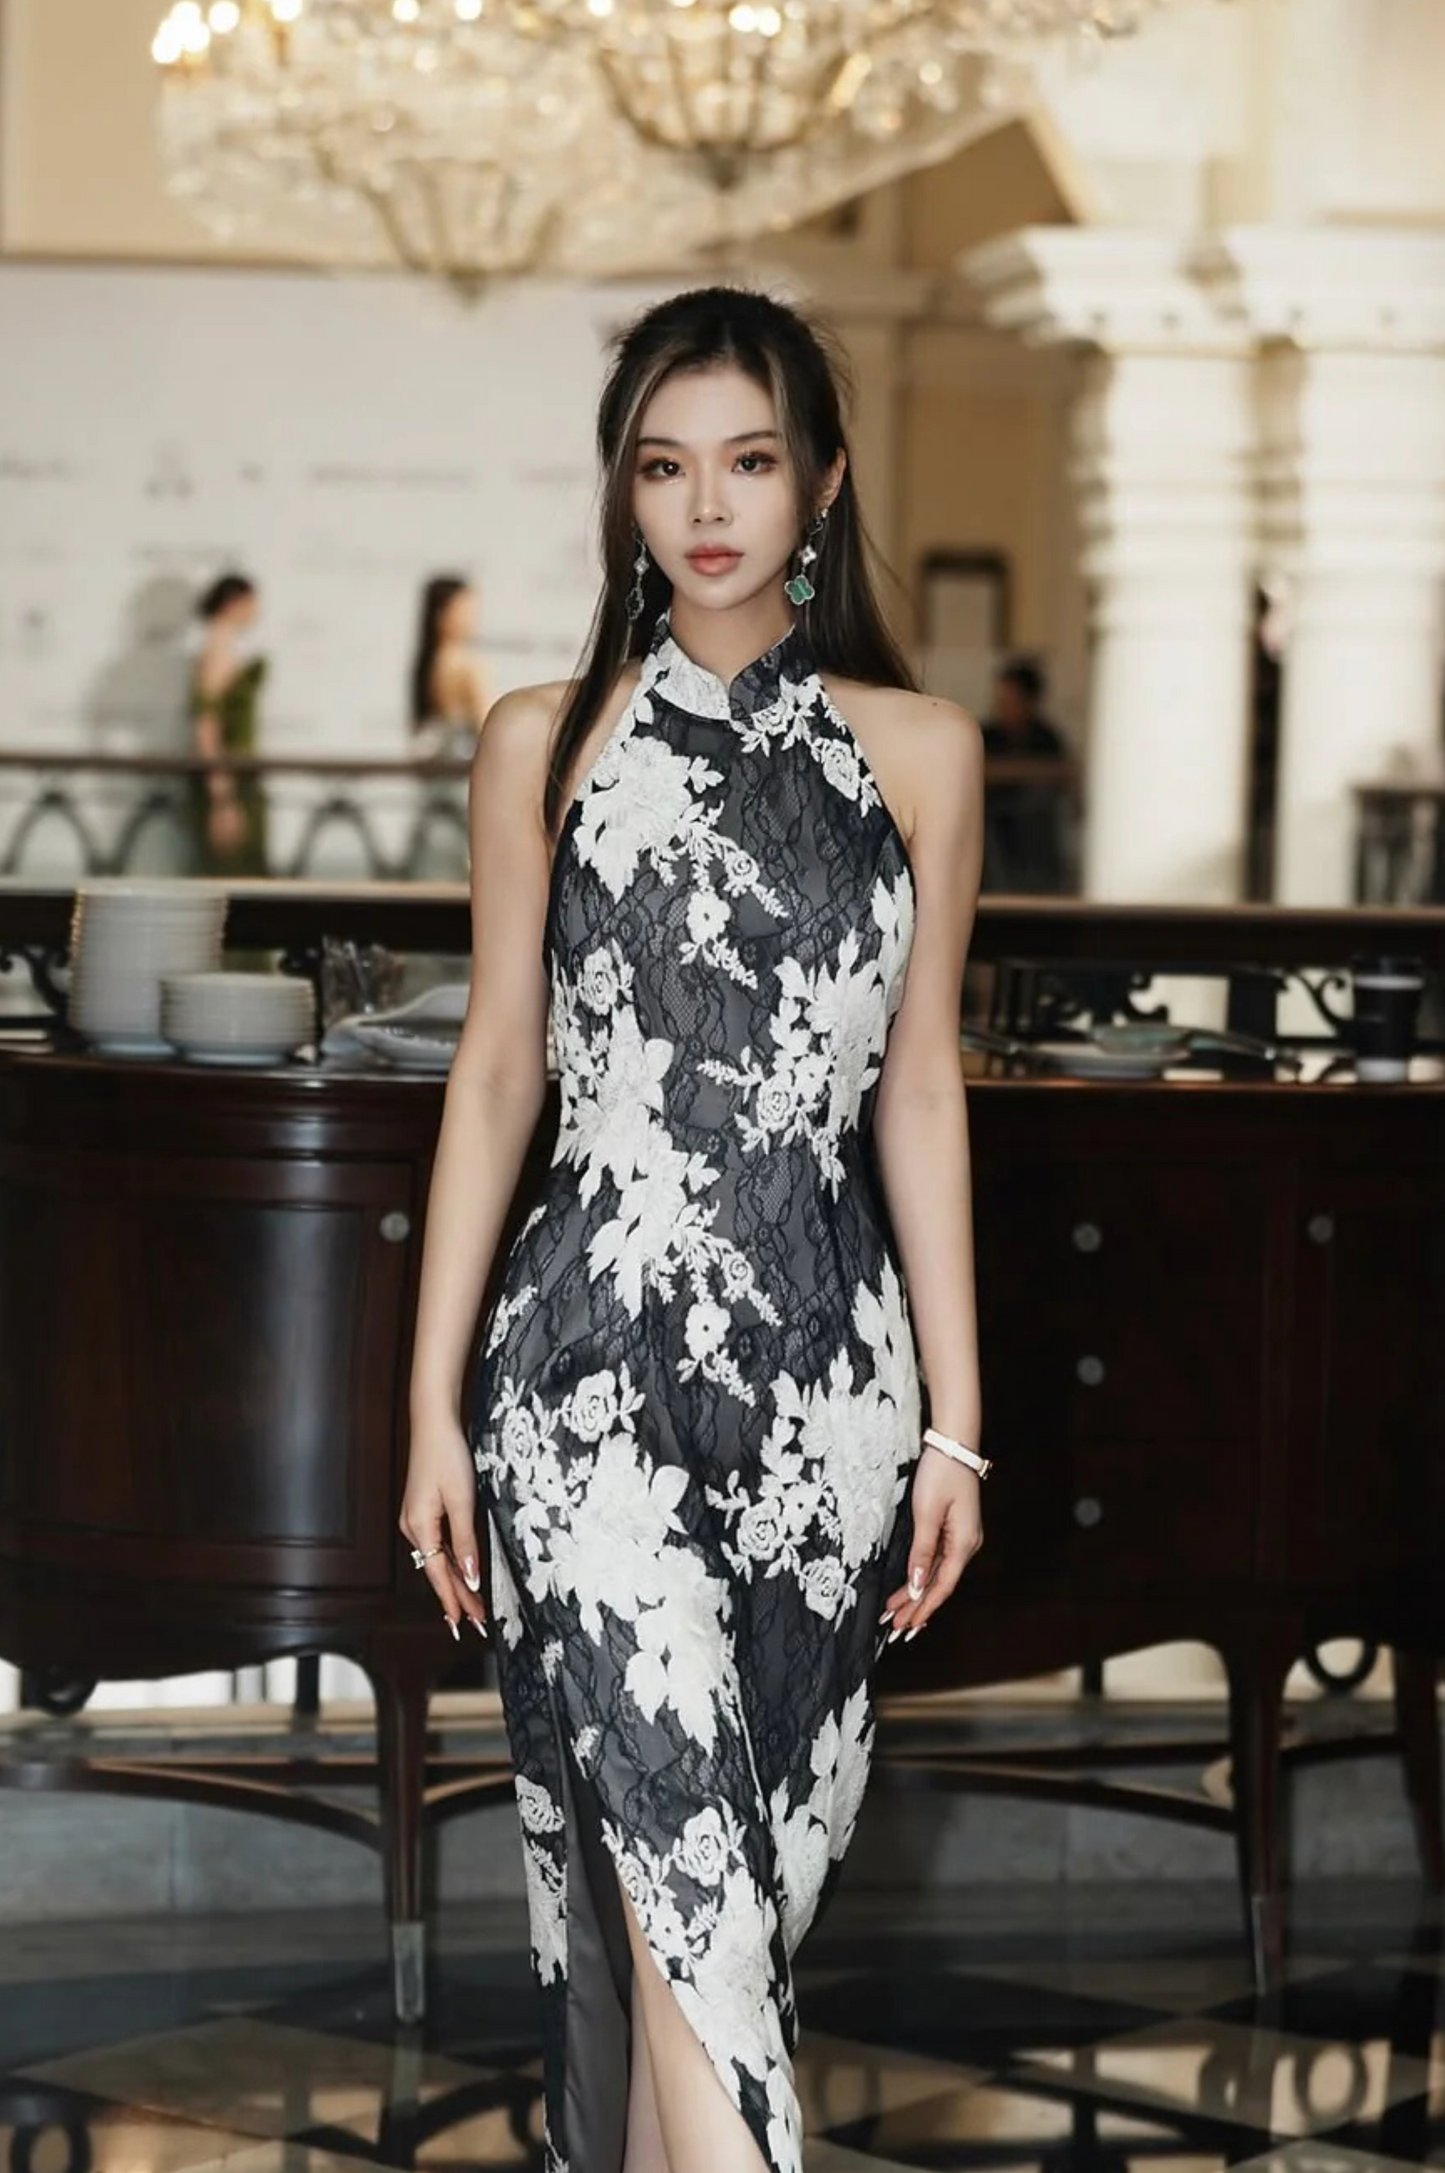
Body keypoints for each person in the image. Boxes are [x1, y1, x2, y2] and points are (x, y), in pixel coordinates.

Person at [400, 285, 986, 2173]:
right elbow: (498, 1069)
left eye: (747, 462)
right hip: (580, 1375)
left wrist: (958, 1426)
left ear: (822, 481)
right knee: (680, 1888)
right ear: (624, 492)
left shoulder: (922, 751)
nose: (707, 507)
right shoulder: (542, 740)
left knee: (729, 1913)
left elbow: (917, 1089)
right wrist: (429, 1407)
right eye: (665, 467)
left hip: (833, 1397)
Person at [189, 571, 268, 876]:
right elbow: (207, 727)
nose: (256, 610)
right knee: (233, 873)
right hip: (228, 779)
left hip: (237, 776)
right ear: (234, 602)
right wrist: (223, 799)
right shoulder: (217, 652)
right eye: (252, 602)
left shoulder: (223, 648)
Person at [979, 656, 1070, 892]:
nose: (1004, 705)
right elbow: (978, 771)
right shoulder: (988, 735)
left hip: (1033, 827)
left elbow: (1062, 771)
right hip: (994, 824)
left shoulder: (1045, 737)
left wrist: (1008, 771)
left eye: (1012, 699)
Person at [409, 575, 490, 758]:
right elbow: (487, 726)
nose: (473, 619)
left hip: (437, 764)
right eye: (465, 610)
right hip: (463, 762)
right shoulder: (466, 664)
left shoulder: (429, 663)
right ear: (441, 615)